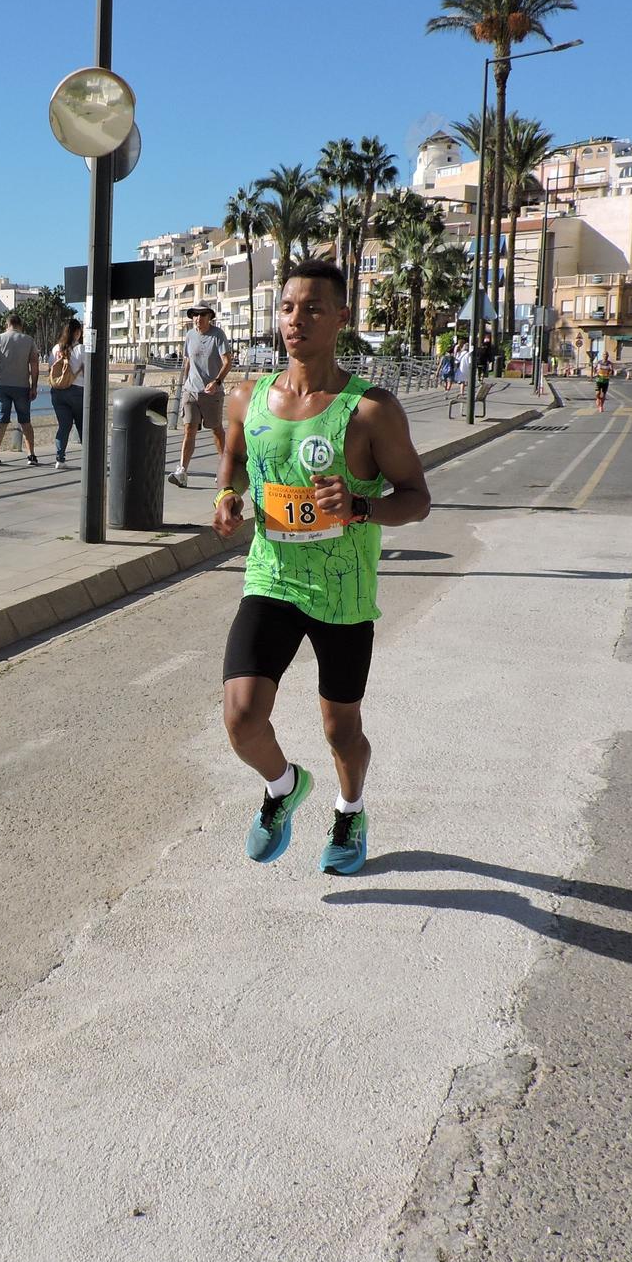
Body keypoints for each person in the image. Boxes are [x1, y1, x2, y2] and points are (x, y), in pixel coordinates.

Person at [212, 259, 432, 878]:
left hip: (342, 590)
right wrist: (225, 498)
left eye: (312, 308)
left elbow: (416, 498)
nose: (295, 320)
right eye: (286, 308)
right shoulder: (247, 396)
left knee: (341, 730)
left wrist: (361, 506)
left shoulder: (370, 411)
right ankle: (283, 786)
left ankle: (350, 808)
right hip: (272, 576)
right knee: (241, 716)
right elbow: (232, 456)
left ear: (342, 318)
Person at [170, 303, 233, 488]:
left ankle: (224, 469)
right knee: (189, 429)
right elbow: (188, 361)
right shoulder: (189, 335)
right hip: (191, 391)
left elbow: (228, 361)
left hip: (212, 393)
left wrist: (217, 382)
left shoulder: (218, 335)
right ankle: (182, 470)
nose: (198, 318)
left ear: (209, 317)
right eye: (195, 315)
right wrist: (183, 385)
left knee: (216, 430)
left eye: (202, 315)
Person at [0, 312, 40, 467]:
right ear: (20, 325)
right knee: (25, 422)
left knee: (1, 421)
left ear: (7, 325)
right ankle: (31, 456)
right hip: (22, 386)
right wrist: (34, 386)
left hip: (2, 386)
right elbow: (35, 365)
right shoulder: (29, 340)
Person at [47, 318, 86, 471]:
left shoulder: (57, 348)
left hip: (57, 391)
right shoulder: (81, 349)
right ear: (77, 332)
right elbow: (88, 371)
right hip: (77, 390)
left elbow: (50, 368)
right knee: (83, 426)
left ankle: (59, 459)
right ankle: (89, 459)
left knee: (64, 426)